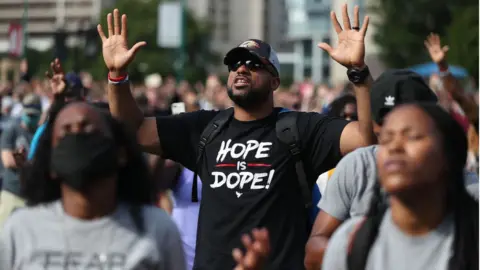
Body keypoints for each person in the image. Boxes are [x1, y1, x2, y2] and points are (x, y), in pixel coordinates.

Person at [98, 5, 375, 269]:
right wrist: (117, 76)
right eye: (235, 64)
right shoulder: (205, 128)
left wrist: (358, 73)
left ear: (275, 80)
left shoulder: (299, 128)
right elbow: (131, 130)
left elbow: (366, 139)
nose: (241, 69)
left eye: (254, 65)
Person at [304, 69, 479, 269]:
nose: (395, 147)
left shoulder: (473, 213)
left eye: (412, 136)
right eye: (386, 136)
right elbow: (314, 251)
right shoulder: (353, 240)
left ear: (446, 148)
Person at [0, 102, 186, 270]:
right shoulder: (22, 229)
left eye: (88, 130)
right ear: (51, 162)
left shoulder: (156, 229)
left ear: (120, 153)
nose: (77, 138)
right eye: (66, 132)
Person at [28, 59, 88, 160]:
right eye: (66, 95)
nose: (70, 100)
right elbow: (33, 161)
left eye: (73, 94)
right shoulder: (46, 129)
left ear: (82, 95)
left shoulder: (92, 125)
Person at [0, 93, 42, 229]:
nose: (31, 118)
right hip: (11, 193)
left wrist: (24, 163)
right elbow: (7, 161)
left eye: (34, 116)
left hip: (32, 198)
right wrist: (30, 163)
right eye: (28, 115)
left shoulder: (41, 134)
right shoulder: (12, 130)